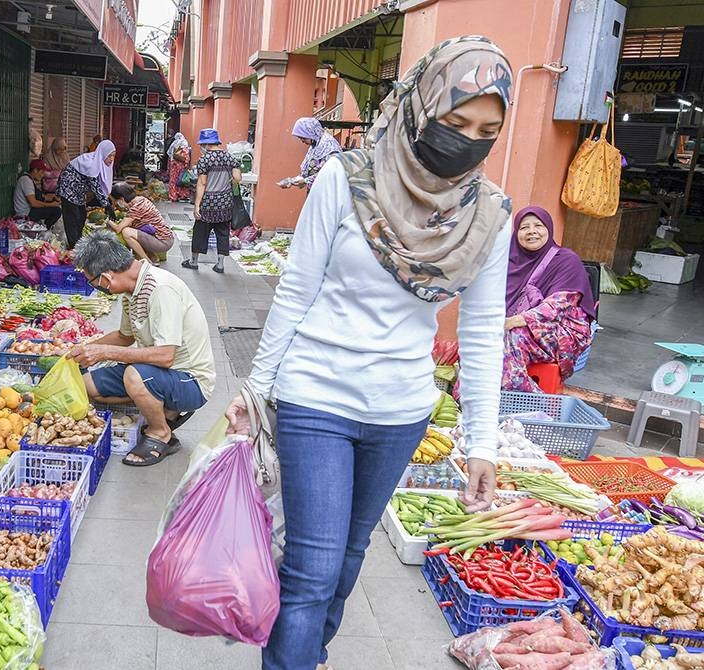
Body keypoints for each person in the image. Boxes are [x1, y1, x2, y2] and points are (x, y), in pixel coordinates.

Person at [224, 36, 513, 670]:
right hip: (316, 396)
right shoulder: (346, 178)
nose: (468, 141)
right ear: (421, 105)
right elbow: (296, 289)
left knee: (348, 561)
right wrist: (255, 389)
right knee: (312, 568)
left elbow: (483, 331)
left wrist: (482, 444)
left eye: (487, 131)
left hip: (401, 412)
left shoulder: (488, 215)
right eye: (456, 121)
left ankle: (308, 655)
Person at [69, 232, 214, 466]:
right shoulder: (132, 291)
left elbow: (166, 356)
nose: (96, 287)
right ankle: (162, 408)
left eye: (93, 282)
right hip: (155, 371)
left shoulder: (160, 289)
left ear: (106, 277)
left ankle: (161, 433)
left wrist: (104, 353)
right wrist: (83, 349)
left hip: (189, 380)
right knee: (87, 384)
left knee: (133, 376)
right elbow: (124, 337)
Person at [503, 206, 596, 392]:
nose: (532, 231)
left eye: (538, 225)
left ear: (549, 229)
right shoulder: (508, 261)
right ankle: (468, 397)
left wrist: (510, 322)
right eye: (524, 227)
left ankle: (529, 401)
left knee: (511, 338)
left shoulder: (566, 259)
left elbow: (557, 307)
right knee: (482, 341)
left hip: (562, 329)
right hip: (515, 325)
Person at [182, 128, 241, 274]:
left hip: (208, 203)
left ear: (206, 144)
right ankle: (220, 265)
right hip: (225, 202)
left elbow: (202, 183)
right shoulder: (230, 157)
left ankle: (194, 261)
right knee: (223, 233)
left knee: (200, 232)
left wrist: (197, 205)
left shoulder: (204, 160)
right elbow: (237, 178)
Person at [56, 140, 116, 249]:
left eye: (113, 156)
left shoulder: (99, 162)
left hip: (79, 191)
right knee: (73, 219)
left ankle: (78, 244)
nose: (111, 159)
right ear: (103, 153)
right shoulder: (91, 163)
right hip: (68, 189)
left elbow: (101, 184)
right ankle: (75, 248)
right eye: (109, 156)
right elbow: (95, 185)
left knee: (81, 216)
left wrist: (107, 200)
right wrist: (106, 205)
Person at [107, 182, 174, 263]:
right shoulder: (141, 200)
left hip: (163, 242)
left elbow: (118, 229)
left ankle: (147, 261)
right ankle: (153, 258)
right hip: (165, 238)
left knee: (126, 232)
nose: (115, 204)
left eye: (115, 201)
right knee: (134, 228)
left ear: (122, 199)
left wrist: (108, 221)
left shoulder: (137, 207)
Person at [281, 117, 343, 191]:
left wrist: (306, 181)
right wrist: (292, 181)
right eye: (300, 138)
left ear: (311, 132)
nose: (302, 141)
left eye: (303, 138)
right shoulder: (316, 145)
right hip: (317, 191)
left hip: (328, 192)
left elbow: (330, 172)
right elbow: (308, 170)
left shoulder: (329, 147)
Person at [12, 159, 61, 229]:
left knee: (52, 206)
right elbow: (33, 203)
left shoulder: (30, 179)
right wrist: (51, 204)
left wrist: (53, 197)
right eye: (42, 172)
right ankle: (45, 229)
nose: (43, 175)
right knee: (56, 211)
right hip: (25, 214)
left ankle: (44, 227)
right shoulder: (26, 181)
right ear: (35, 170)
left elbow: (41, 196)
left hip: (30, 210)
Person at [166, 132, 193, 202]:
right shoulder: (185, 144)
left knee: (173, 181)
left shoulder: (174, 144)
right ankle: (182, 195)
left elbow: (170, 157)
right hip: (181, 166)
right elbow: (186, 157)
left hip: (174, 166)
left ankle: (173, 196)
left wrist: (169, 168)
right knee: (181, 180)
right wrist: (187, 165)